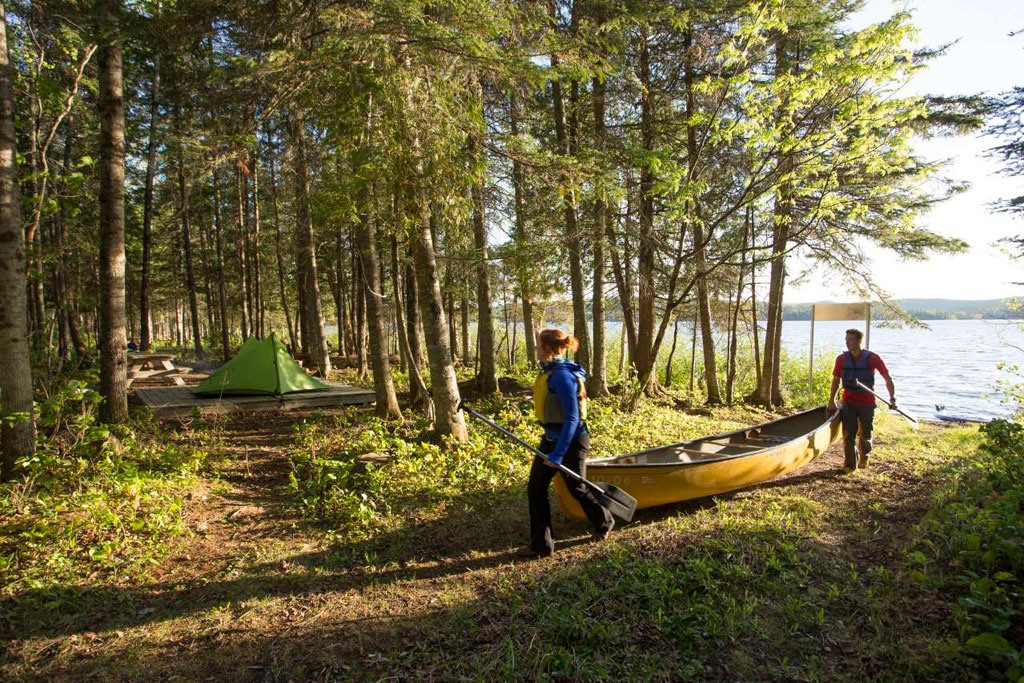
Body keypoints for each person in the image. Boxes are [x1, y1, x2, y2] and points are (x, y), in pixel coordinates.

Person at [518, 329, 614, 558]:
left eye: (538, 345)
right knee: (536, 487)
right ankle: (541, 545)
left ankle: (604, 522)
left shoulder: (562, 376)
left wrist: (558, 453)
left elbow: (573, 417)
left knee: (576, 487)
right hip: (551, 438)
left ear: (548, 349)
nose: (536, 349)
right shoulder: (549, 372)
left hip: (572, 440)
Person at [827, 328, 897, 473]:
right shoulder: (841, 359)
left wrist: (892, 398)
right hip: (848, 402)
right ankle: (850, 465)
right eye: (846, 340)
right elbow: (836, 380)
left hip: (867, 403)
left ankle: (864, 456)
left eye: (850, 340)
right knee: (848, 434)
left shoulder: (873, 358)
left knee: (865, 434)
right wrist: (831, 400)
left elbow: (887, 378)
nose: (847, 343)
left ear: (859, 341)